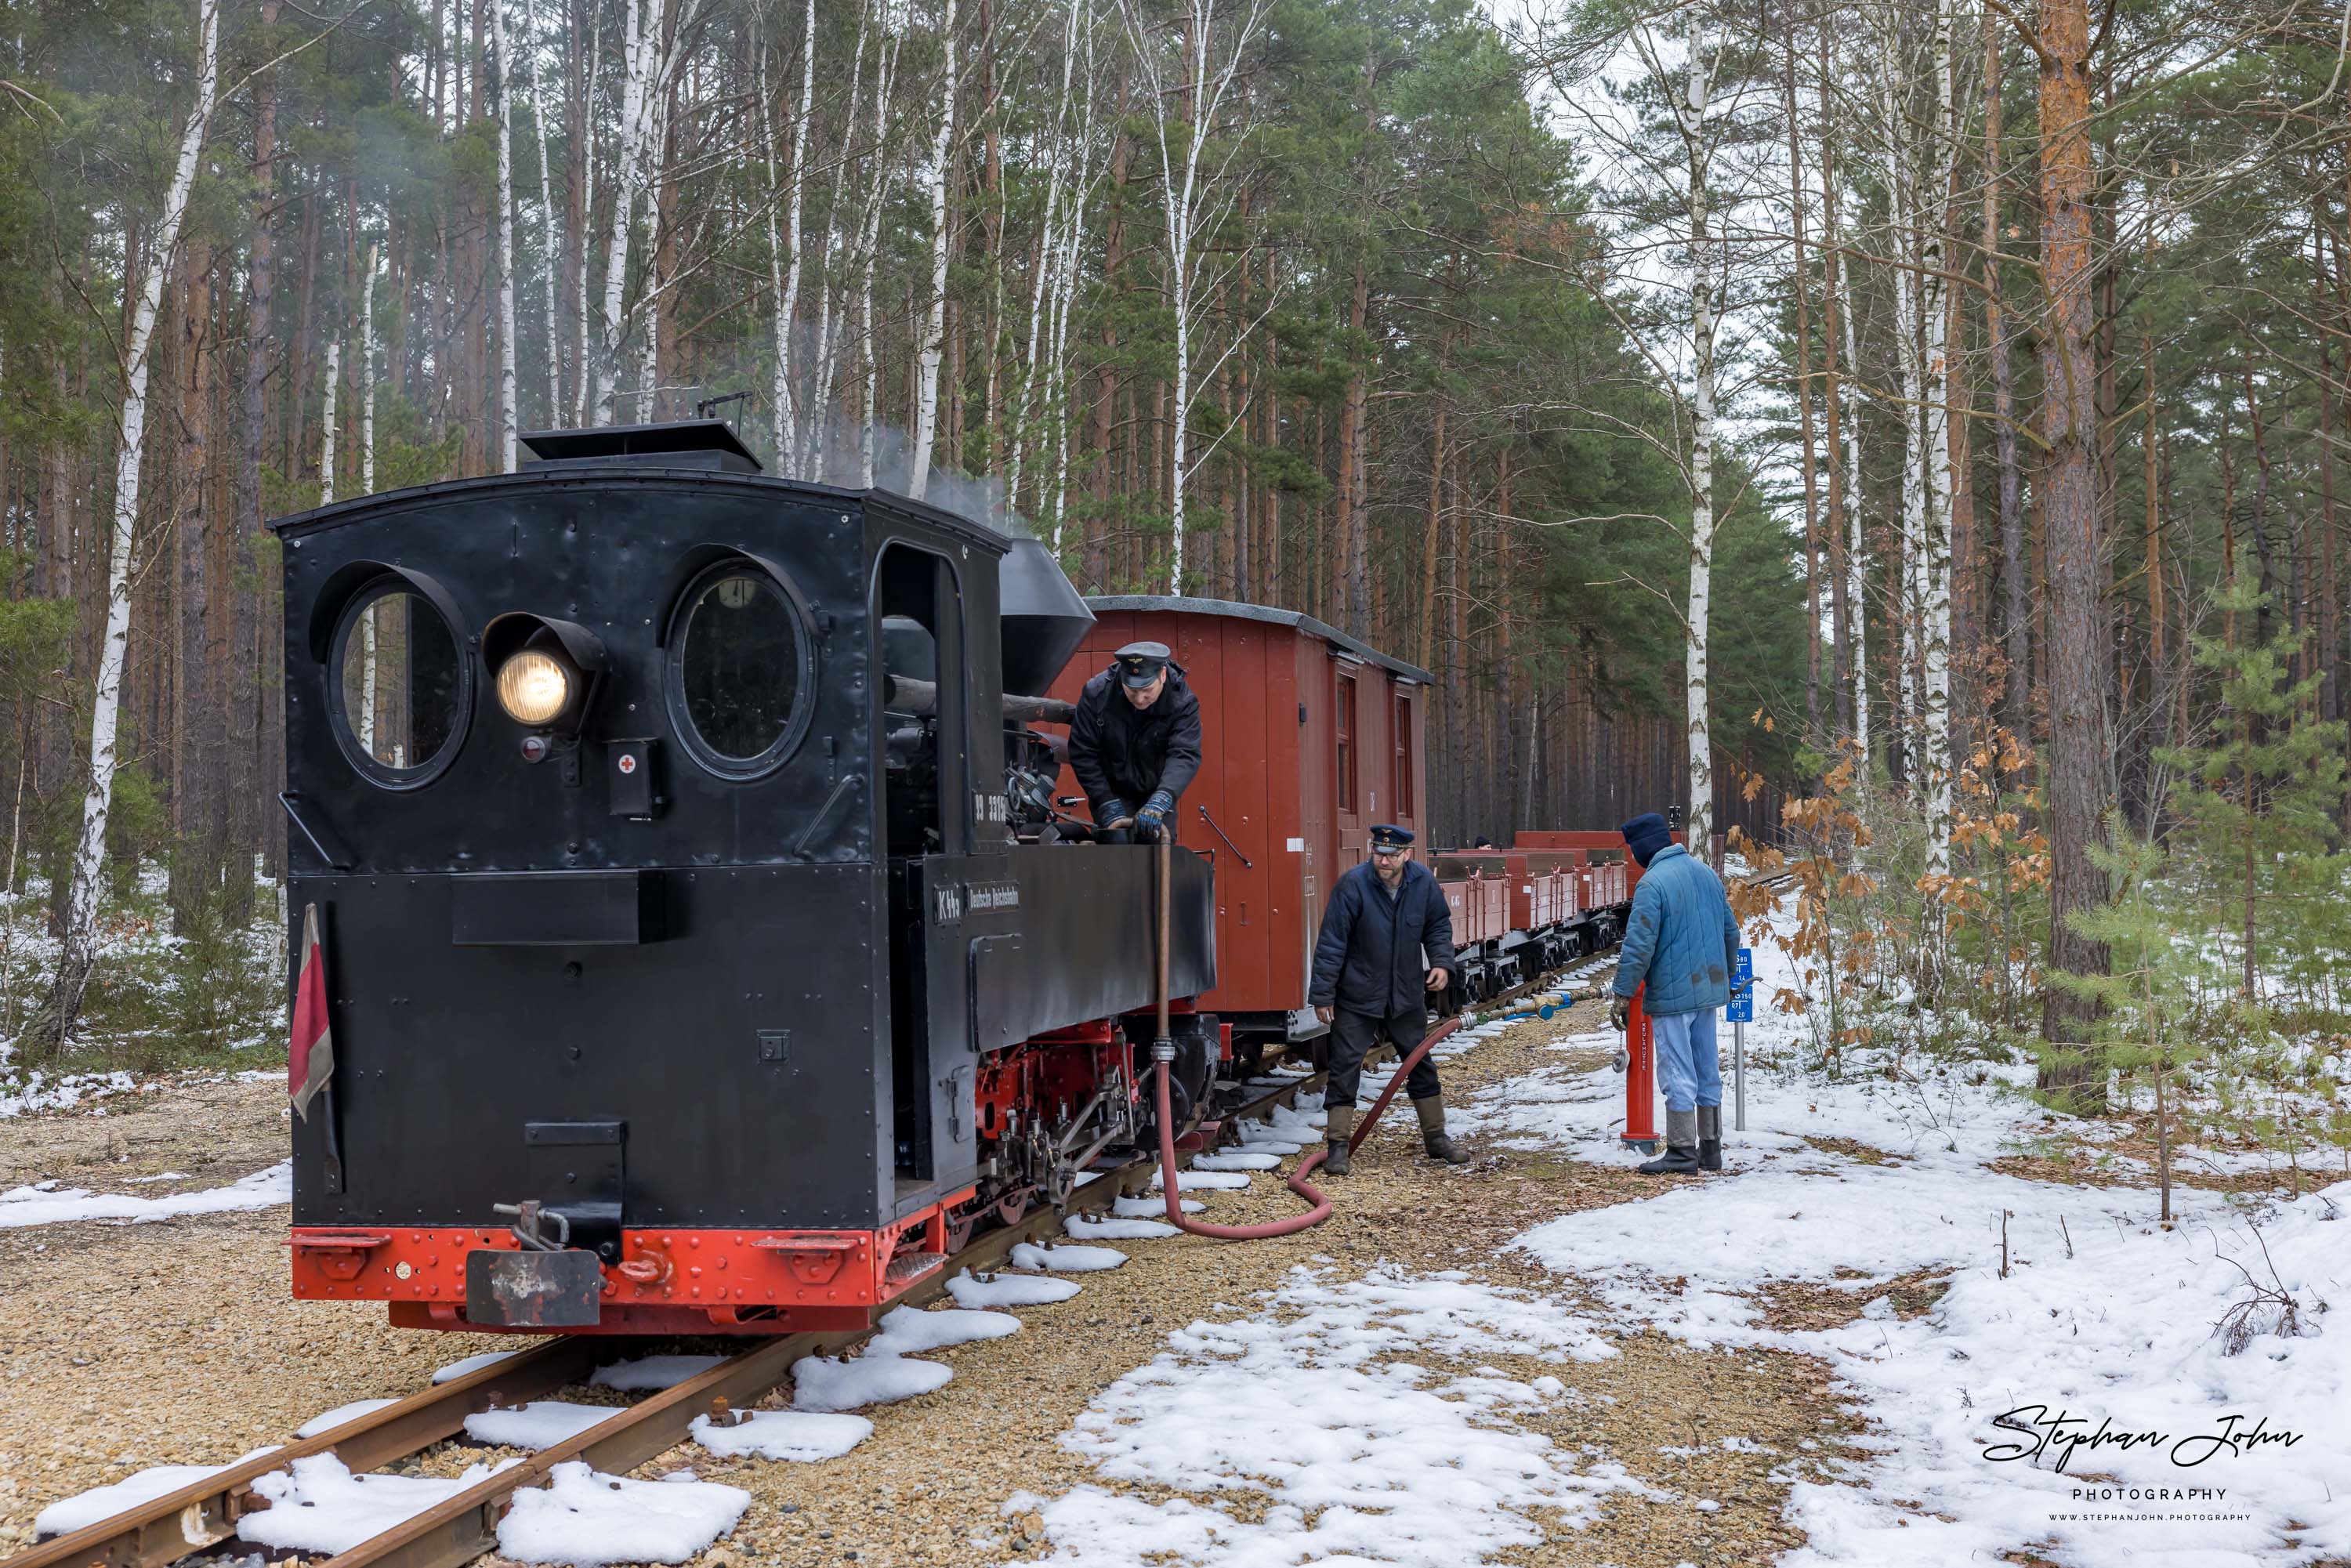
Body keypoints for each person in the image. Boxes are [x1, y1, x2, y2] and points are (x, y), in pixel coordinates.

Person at [1307, 824, 1464, 1173]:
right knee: (1345, 1066)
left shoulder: (1422, 884)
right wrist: (1323, 995)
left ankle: (1436, 1138)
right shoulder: (1353, 884)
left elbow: (1437, 926)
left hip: (1405, 995)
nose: (1384, 860)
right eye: (1379, 853)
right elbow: (1332, 942)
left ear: (1407, 855)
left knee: (1420, 1063)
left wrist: (1441, 963)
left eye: (1392, 855)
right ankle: (1337, 1147)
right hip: (1357, 996)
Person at [1607, 811, 1741, 1175]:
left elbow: (1638, 946)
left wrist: (1621, 994)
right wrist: (1726, 976)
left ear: (1642, 849)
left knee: (1678, 1069)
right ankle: (1710, 1149)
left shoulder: (1653, 884)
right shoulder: (1707, 874)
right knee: (1707, 1066)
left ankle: (1682, 1152)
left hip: (1672, 994)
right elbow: (1732, 932)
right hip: (1708, 992)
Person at [1068, 640, 1201, 842]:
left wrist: (1164, 797)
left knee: (1157, 850)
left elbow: (1184, 753)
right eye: (1133, 690)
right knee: (1116, 847)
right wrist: (1104, 800)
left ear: (1162, 675)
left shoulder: (1182, 702)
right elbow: (1083, 752)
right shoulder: (1097, 694)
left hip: (1157, 791)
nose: (1140, 699)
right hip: (1111, 791)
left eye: (1147, 690)